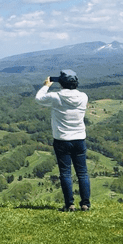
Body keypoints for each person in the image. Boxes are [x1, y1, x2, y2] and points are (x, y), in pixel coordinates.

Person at [35, 69, 90, 212]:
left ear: (61, 83)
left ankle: (69, 204)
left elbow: (38, 98)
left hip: (62, 140)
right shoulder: (84, 96)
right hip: (79, 139)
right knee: (82, 172)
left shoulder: (56, 97)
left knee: (65, 173)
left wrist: (46, 85)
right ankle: (85, 204)